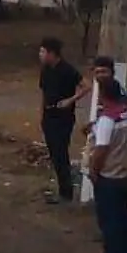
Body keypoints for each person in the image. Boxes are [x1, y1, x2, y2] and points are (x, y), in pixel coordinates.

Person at [85, 76, 127, 253]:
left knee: (109, 221)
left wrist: (93, 171)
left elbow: (101, 150)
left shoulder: (108, 120)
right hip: (123, 172)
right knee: (124, 218)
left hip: (109, 175)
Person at [37, 37, 82, 204]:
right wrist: (41, 115)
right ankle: (62, 189)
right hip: (49, 116)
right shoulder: (46, 70)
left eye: (43, 51)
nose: (40, 55)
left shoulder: (67, 70)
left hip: (63, 117)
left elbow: (87, 86)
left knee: (61, 152)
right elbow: (43, 93)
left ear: (52, 53)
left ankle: (66, 192)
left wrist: (70, 100)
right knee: (54, 154)